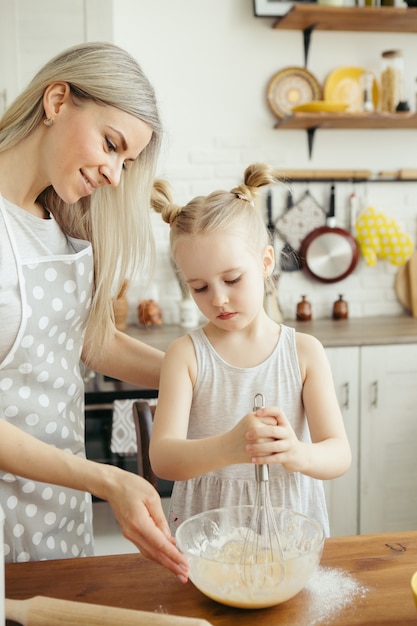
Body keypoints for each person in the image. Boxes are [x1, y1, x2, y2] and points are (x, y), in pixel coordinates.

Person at [0, 41, 188, 581]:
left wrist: (200, 370)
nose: (114, 173)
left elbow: (91, 341)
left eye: (125, 162)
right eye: (111, 144)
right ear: (57, 101)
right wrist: (105, 478)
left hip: (56, 505)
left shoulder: (57, 221)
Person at [149, 163, 352, 537]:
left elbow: (338, 453)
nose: (219, 299)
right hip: (208, 528)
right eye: (199, 287)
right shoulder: (186, 355)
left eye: (231, 279)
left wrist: (297, 452)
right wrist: (229, 447)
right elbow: (163, 458)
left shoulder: (304, 352)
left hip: (288, 525)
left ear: (266, 262)